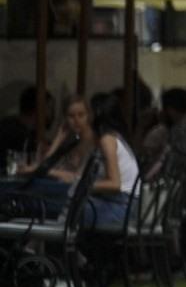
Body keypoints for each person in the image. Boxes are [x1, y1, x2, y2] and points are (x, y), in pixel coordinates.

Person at [36, 95, 139, 226]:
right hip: (123, 203)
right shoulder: (110, 138)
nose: (84, 119)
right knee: (60, 202)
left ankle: (51, 239)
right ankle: (44, 240)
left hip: (122, 206)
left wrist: (83, 186)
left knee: (61, 205)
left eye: (86, 114)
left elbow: (115, 184)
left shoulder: (107, 140)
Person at [0, 87, 49, 174]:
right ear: (38, 110)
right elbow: (13, 169)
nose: (49, 114)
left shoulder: (29, 131)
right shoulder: (12, 132)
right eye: (48, 109)